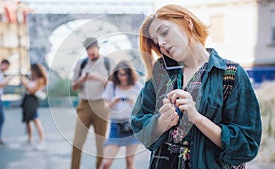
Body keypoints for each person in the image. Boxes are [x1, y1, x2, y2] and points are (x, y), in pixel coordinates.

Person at [131, 4, 262, 169]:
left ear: (187, 23)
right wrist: (162, 122)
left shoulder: (231, 73)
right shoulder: (161, 74)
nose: (162, 44)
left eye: (164, 32)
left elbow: (246, 145)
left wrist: (196, 117)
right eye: (157, 42)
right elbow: (139, 124)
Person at [71, 37, 115, 169]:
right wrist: (83, 79)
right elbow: (74, 87)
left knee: (101, 143)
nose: (91, 55)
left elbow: (115, 86)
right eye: (88, 53)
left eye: (93, 53)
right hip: (84, 104)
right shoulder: (82, 64)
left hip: (101, 104)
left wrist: (100, 78)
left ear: (98, 48)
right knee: (77, 142)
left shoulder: (108, 63)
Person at [99, 61, 143, 169]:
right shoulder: (111, 86)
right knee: (106, 163)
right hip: (116, 125)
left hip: (131, 124)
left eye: (125, 74)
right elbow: (105, 107)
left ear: (129, 74)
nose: (122, 77)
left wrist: (133, 102)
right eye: (120, 74)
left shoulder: (137, 85)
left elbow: (144, 106)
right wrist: (114, 101)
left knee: (129, 160)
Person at [20, 63, 47, 150]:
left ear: (35, 70)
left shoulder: (41, 80)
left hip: (32, 100)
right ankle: (30, 139)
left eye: (32, 70)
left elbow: (31, 90)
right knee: (28, 121)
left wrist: (24, 83)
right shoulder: (32, 79)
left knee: (36, 120)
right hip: (27, 100)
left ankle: (42, 141)